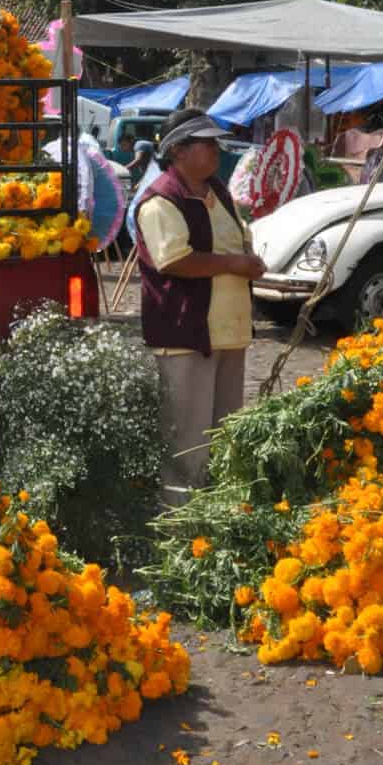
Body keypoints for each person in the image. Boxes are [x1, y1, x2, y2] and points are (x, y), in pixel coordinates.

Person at [134, 107, 266, 503]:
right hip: (187, 333)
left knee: (223, 434)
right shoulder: (161, 201)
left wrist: (247, 261)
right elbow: (174, 259)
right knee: (188, 442)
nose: (215, 151)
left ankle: (216, 514)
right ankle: (179, 524)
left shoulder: (218, 192)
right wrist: (234, 264)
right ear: (178, 151)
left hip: (227, 332)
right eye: (206, 144)